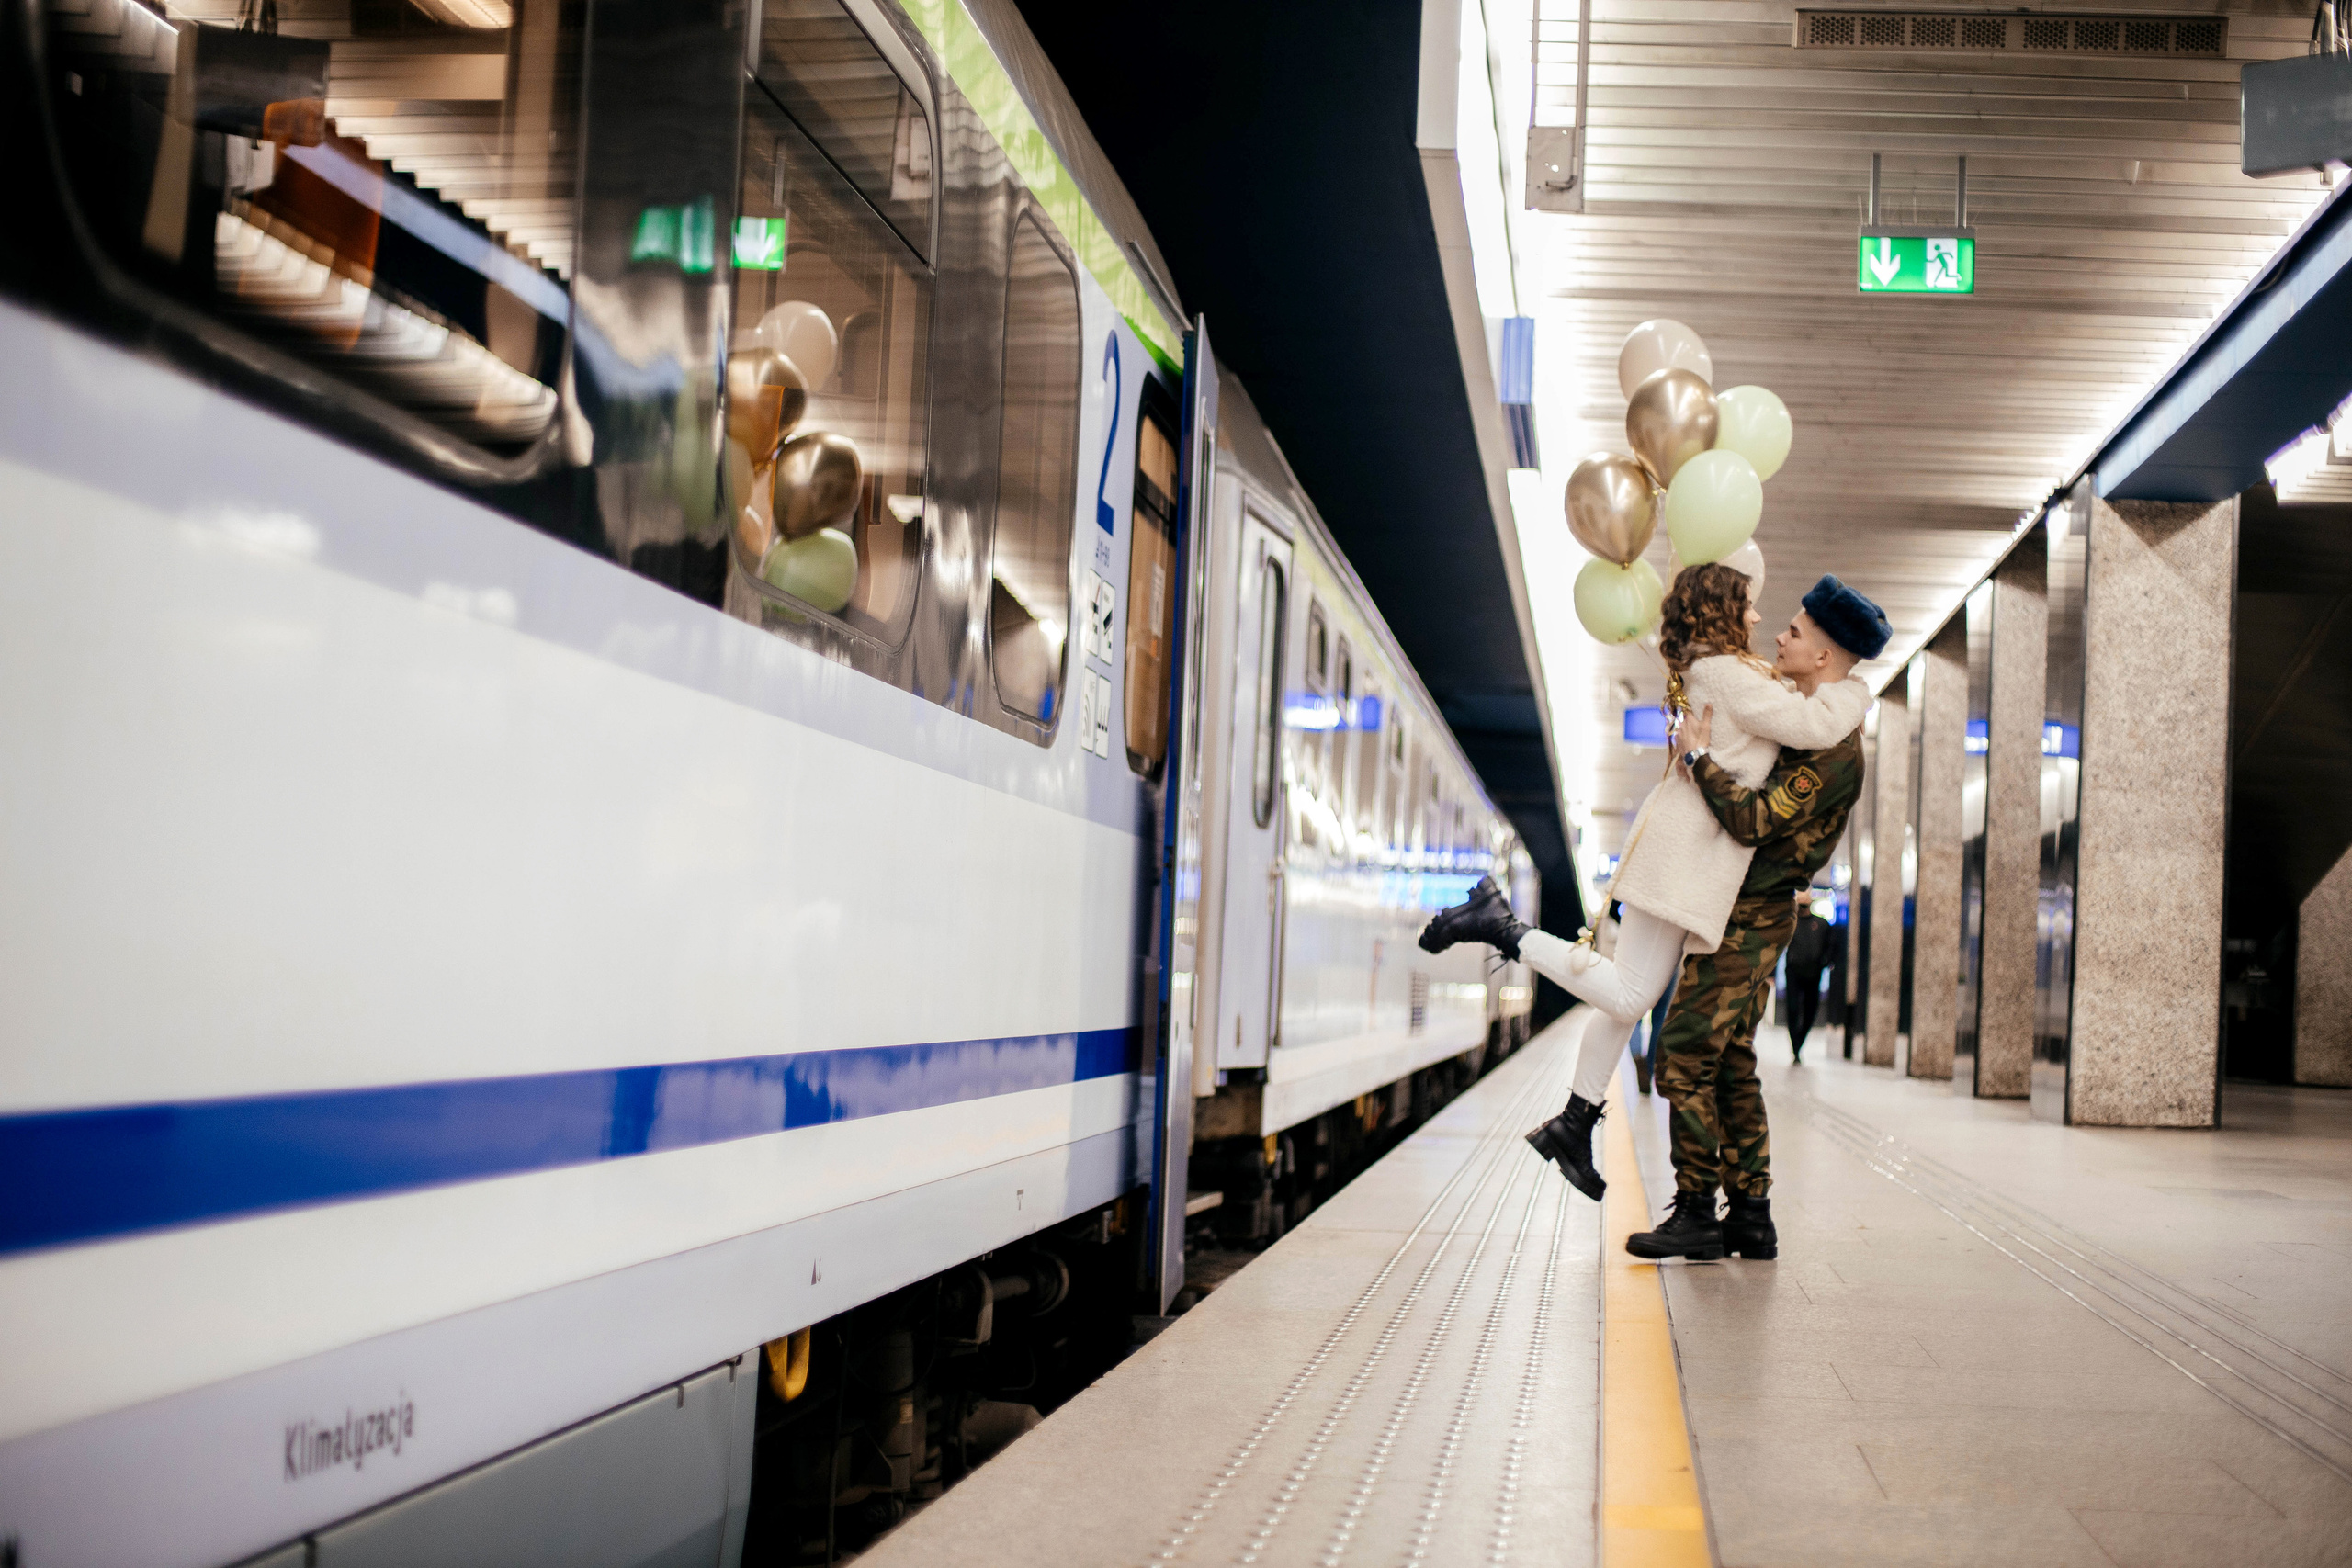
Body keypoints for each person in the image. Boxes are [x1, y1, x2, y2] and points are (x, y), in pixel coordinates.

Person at [1419, 564, 1871, 1201]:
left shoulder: (1722, 672)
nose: (1758, 618)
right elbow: (1815, 725)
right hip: (1683, 858)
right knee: (1630, 993)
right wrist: (1859, 688)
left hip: (1681, 853)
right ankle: (1502, 925)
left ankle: (1574, 1122)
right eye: (1747, 606)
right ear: (1721, 611)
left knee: (1623, 996)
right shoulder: (1726, 674)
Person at [1624, 575, 1889, 1263]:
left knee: (1682, 1053)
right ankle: (1750, 1214)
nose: (1778, 636)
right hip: (1745, 908)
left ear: (1826, 656)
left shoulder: (1832, 751)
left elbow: (1751, 820)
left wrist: (1701, 759)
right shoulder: (1800, 716)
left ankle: (1695, 1213)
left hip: (1753, 915)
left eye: (1796, 632)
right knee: (1733, 1061)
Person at [1781, 906, 1833, 1062]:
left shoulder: (1821, 924)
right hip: (1793, 972)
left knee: (1810, 1010)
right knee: (1793, 1009)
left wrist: (1823, 963)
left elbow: (1831, 947)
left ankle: (1799, 1043)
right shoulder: (1790, 923)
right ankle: (1795, 1047)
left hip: (1813, 973)